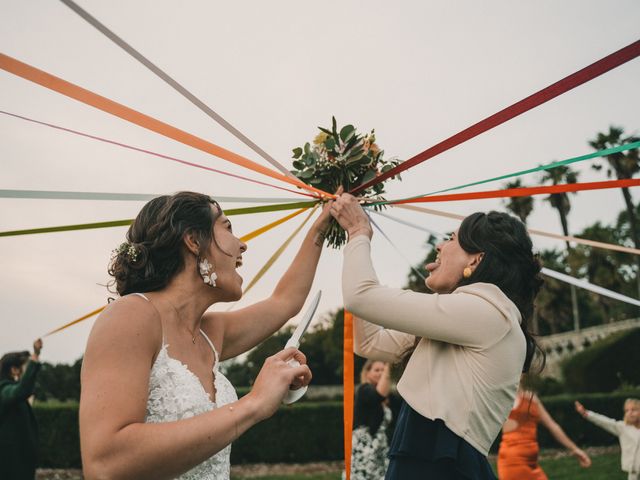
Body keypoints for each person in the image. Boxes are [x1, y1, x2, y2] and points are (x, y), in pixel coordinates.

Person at [80, 191, 331, 480]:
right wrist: (253, 403)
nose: (243, 245)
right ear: (194, 241)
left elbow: (285, 302)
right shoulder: (131, 316)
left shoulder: (211, 333)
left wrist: (322, 225)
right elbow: (105, 464)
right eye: (227, 227)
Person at [331, 195, 545, 480]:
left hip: (438, 463)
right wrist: (359, 254)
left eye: (451, 239)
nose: (440, 246)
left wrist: (359, 232)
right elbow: (369, 342)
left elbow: (361, 297)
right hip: (428, 457)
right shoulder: (471, 317)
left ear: (476, 258)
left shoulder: (487, 312)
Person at [497, 381, 591, 479]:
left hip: (531, 463)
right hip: (513, 462)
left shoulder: (531, 398)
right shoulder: (504, 399)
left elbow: (553, 426)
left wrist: (575, 449)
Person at [0, 338, 43, 480]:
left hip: (20, 465)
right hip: (11, 469)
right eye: (27, 366)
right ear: (14, 370)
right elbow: (22, 390)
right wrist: (35, 355)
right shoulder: (4, 390)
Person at [576, 398, 640, 479]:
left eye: (634, 410)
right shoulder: (622, 427)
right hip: (633, 471)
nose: (630, 413)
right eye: (627, 410)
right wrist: (587, 414)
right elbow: (605, 422)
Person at [350, 360, 392, 480]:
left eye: (383, 370)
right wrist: (389, 363)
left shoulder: (389, 398)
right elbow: (377, 396)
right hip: (365, 445)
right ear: (367, 373)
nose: (380, 373)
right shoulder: (364, 390)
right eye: (377, 370)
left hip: (381, 447)